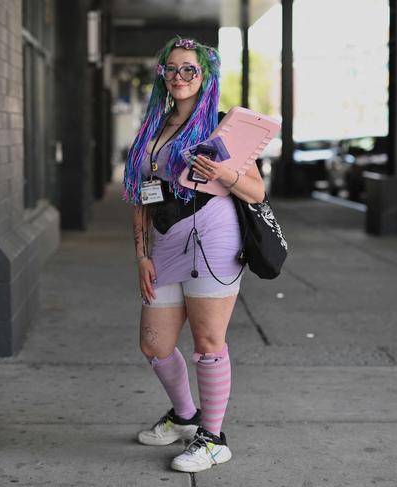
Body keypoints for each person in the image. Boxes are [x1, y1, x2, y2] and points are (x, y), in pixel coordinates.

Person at [123, 36, 265, 473]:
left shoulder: (223, 128)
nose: (180, 76)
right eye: (172, 69)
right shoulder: (154, 128)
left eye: (190, 69)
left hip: (213, 238)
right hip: (165, 242)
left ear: (205, 77)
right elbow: (142, 197)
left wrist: (225, 172)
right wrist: (142, 255)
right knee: (155, 344)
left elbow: (256, 191)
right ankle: (186, 416)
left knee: (208, 341)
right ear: (162, 75)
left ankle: (213, 438)